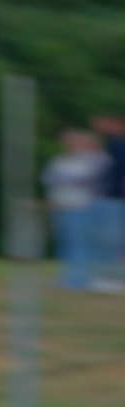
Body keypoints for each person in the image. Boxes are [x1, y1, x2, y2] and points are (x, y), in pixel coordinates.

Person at [43, 129, 110, 291]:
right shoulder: (61, 160)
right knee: (66, 243)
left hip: (83, 206)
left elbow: (90, 180)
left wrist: (66, 180)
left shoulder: (99, 160)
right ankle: (69, 277)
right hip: (60, 205)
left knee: (81, 243)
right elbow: (48, 179)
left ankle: (80, 279)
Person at [92, 115, 125, 292]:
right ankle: (108, 279)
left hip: (116, 199)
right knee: (108, 241)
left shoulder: (119, 144)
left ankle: (113, 280)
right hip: (109, 198)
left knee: (113, 241)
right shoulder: (112, 144)